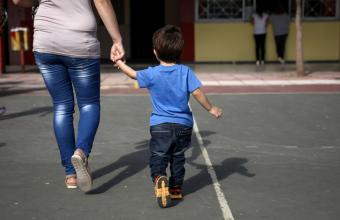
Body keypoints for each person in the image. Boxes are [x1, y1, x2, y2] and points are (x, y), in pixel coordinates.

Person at [12, 0, 125, 192]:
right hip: (80, 42)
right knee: (89, 104)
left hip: (46, 42)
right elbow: (102, 2)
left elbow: (17, 0)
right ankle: (81, 152)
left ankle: (70, 174)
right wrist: (117, 40)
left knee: (61, 106)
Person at [115, 25, 223, 208]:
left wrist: (119, 63)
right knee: (178, 157)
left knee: (159, 156)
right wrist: (211, 108)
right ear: (180, 51)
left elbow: (133, 74)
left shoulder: (152, 73)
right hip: (183, 126)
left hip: (160, 125)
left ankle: (159, 177)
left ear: (155, 52)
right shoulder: (186, 72)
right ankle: (175, 189)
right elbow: (197, 93)